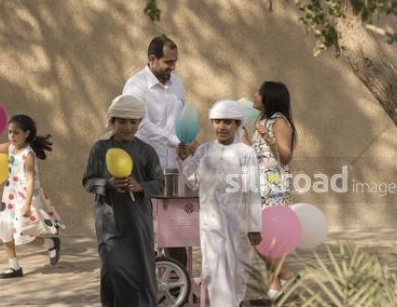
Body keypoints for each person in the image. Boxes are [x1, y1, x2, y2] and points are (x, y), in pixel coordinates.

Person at [176, 100, 262, 307]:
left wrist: (254, 226)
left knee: (238, 273)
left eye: (227, 122)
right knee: (214, 271)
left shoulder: (246, 153)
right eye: (217, 122)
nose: (221, 127)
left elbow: (253, 191)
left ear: (237, 124)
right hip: (211, 222)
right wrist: (184, 160)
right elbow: (193, 181)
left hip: (238, 225)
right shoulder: (204, 151)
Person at [82, 94, 164, 307]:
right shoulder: (100, 149)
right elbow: (88, 181)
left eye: (133, 122)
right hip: (109, 221)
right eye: (122, 121)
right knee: (112, 269)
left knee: (141, 269)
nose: (128, 127)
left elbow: (159, 183)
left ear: (140, 122)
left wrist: (140, 187)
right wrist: (107, 184)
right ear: (113, 121)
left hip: (138, 222)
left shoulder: (146, 151)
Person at [0, 114, 64, 279]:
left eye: (16, 132)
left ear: (26, 134)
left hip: (26, 196)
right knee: (5, 231)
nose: (12, 136)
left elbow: (30, 180)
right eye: (9, 132)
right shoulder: (10, 148)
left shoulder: (28, 155)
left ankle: (50, 243)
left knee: (22, 233)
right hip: (10, 195)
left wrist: (27, 204)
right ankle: (15, 268)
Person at [122, 34, 193, 266]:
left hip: (172, 168)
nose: (173, 66)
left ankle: (177, 281)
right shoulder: (136, 85)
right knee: (145, 228)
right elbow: (140, 124)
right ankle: (148, 279)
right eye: (168, 62)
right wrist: (175, 140)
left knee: (176, 228)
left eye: (175, 62)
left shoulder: (177, 84)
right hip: (143, 167)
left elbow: (181, 119)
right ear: (152, 59)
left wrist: (186, 141)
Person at [243, 81, 300, 303]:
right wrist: (247, 141)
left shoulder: (280, 122)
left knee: (260, 239)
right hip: (260, 186)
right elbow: (260, 156)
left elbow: (285, 157)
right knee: (267, 242)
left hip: (274, 188)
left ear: (269, 98)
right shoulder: (262, 121)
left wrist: (268, 137)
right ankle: (274, 292)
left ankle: (289, 276)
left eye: (259, 93)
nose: (254, 95)